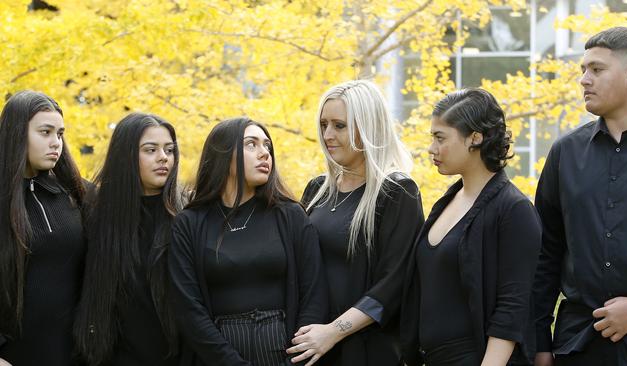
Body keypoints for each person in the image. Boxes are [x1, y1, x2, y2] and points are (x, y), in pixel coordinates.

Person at [533, 26, 627, 366]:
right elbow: (546, 253)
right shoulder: (564, 153)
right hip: (577, 345)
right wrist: (540, 341)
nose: (584, 79)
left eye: (596, 69)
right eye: (583, 70)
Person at [169, 117, 327, 365]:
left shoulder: (290, 215)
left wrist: (297, 358)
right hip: (216, 357)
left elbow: (314, 292)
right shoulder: (189, 223)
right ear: (223, 154)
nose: (264, 153)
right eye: (251, 144)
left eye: (267, 146)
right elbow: (188, 307)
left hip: (285, 353)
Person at [400, 88, 541, 366]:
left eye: (440, 138)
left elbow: (512, 308)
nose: (432, 148)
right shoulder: (447, 201)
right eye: (432, 138)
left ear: (475, 138)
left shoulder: (513, 209)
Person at [288, 79, 424, 366]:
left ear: (369, 127)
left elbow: (394, 283)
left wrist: (332, 333)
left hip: (365, 350)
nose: (328, 134)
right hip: (310, 345)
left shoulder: (396, 191)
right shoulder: (317, 190)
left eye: (339, 125)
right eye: (324, 124)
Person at [74, 113, 181, 365]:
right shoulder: (95, 216)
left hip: (177, 357)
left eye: (169, 149)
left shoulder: (187, 217)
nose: (163, 157)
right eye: (150, 149)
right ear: (126, 156)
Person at [0, 91, 87, 366]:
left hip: (73, 354)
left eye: (60, 133)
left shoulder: (76, 193)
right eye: (45, 132)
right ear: (16, 134)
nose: (56, 143)